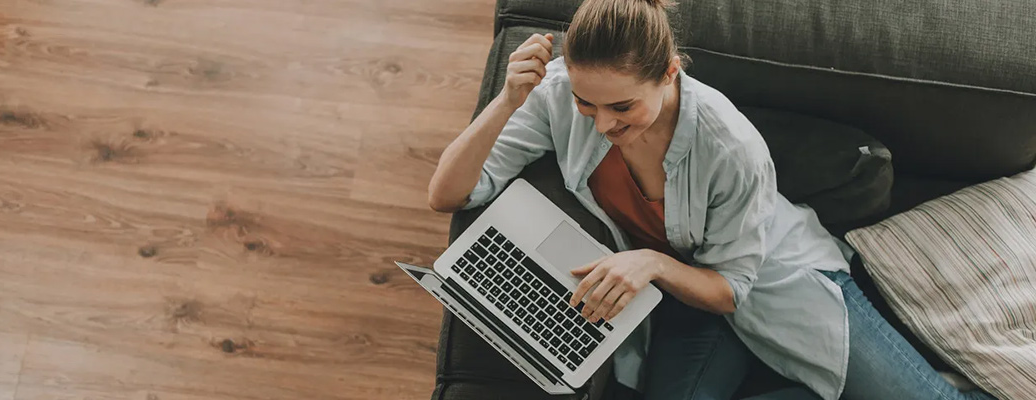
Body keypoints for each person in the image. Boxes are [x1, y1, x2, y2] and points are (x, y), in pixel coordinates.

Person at [425, 0, 996, 399]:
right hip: (681, 300)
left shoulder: (731, 146)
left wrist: (648, 262)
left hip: (767, 281)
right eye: (586, 103)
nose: (601, 125)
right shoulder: (556, 92)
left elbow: (730, 290)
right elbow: (447, 194)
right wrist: (505, 101)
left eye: (622, 107)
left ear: (669, 74)